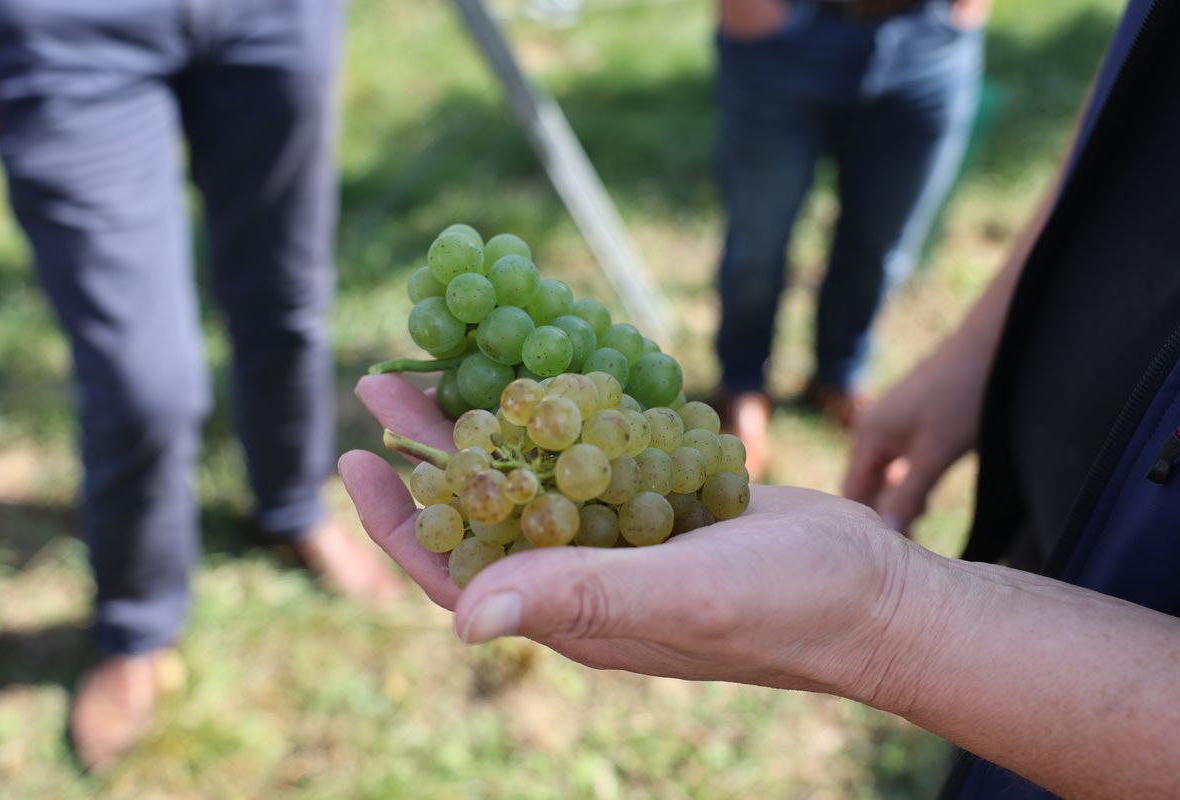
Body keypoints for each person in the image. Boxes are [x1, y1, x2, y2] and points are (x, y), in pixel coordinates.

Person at [340, 0, 1180, 796]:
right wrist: (985, 353)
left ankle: (836, 366)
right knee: (756, 253)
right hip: (1073, 491)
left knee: (874, 251)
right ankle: (753, 379)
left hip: (1130, 577)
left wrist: (887, 618)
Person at [0, 0, 401, 772]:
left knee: (287, 300)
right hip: (62, 28)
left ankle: (292, 504)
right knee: (142, 384)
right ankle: (137, 624)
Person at [714, 0, 987, 476]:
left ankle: (840, 375)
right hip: (782, 29)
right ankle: (742, 386)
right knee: (757, 247)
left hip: (929, 35)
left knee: (881, 249)